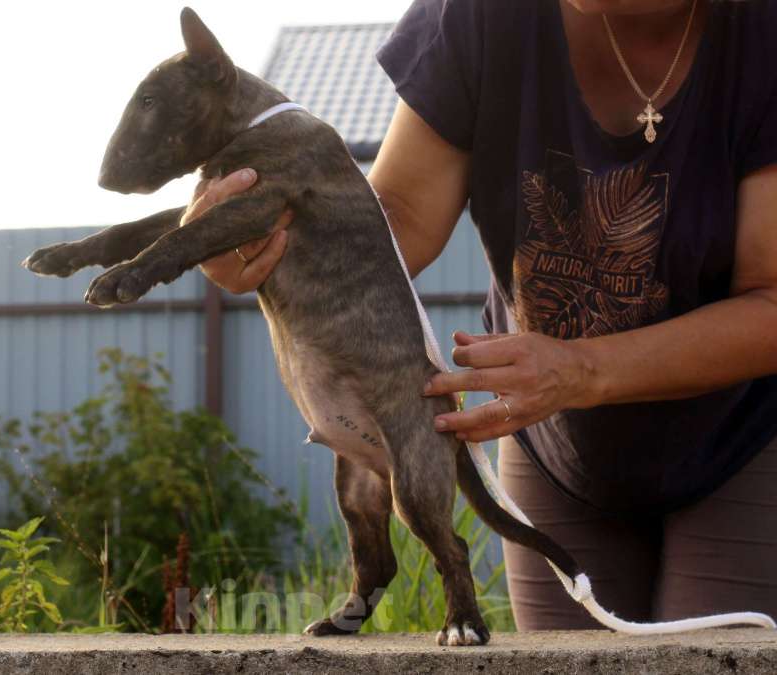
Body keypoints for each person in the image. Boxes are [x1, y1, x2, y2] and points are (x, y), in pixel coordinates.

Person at [183, 0, 777, 630]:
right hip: (554, 447)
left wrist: (582, 368)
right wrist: (266, 243)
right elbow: (401, 218)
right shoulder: (475, 14)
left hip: (738, 440)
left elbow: (769, 299)